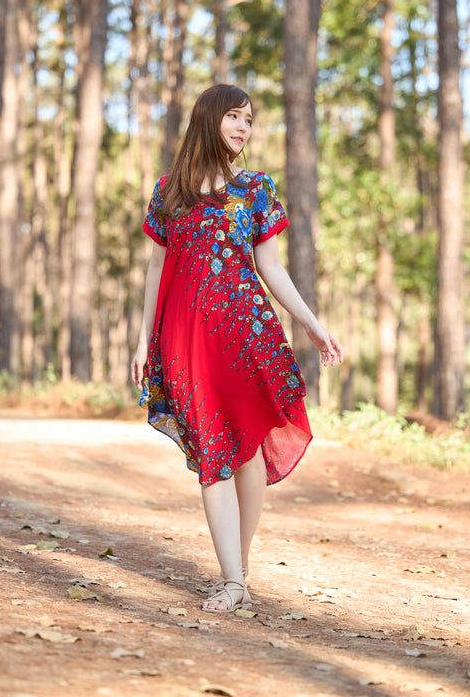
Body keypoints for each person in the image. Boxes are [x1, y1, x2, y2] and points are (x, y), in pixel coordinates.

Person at [131, 84, 343, 614]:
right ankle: (232, 580)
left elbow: (271, 267)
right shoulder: (168, 192)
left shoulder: (256, 189)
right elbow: (156, 272)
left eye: (248, 119)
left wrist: (312, 325)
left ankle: (236, 575)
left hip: (248, 336)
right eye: (233, 116)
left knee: (247, 452)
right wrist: (142, 341)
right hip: (186, 342)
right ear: (208, 119)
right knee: (212, 453)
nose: (243, 127)